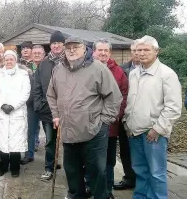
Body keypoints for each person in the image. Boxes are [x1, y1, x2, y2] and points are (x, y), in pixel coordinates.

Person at [47, 36, 122, 199]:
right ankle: (76, 196)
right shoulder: (58, 69)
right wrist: (56, 115)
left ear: (85, 49)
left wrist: (104, 121)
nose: (71, 50)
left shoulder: (98, 68)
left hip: (94, 131)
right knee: (72, 172)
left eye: (76, 47)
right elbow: (51, 95)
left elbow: (114, 97)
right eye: (68, 48)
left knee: (96, 173)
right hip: (68, 130)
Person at [123, 35, 182, 199]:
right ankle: (141, 196)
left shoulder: (167, 74)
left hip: (153, 134)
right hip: (134, 132)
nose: (141, 53)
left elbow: (174, 107)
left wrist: (158, 129)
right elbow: (131, 101)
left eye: (146, 49)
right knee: (140, 170)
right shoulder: (134, 74)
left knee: (156, 173)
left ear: (156, 52)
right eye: (138, 50)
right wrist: (126, 123)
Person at [88, 39, 128, 199]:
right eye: (100, 50)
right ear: (94, 52)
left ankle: (107, 189)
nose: (103, 53)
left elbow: (124, 96)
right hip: (88, 125)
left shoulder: (118, 72)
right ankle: (91, 186)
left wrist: (115, 115)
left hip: (109, 126)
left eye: (106, 50)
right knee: (91, 159)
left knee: (108, 160)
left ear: (110, 53)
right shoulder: (86, 68)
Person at [33, 31, 65, 180]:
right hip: (48, 110)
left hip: (68, 110)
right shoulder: (44, 63)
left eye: (59, 43)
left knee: (70, 141)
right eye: (54, 43)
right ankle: (49, 167)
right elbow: (37, 85)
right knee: (50, 140)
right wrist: (38, 104)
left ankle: (74, 169)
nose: (56, 46)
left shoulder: (69, 61)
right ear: (50, 45)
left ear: (63, 45)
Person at [0, 50, 30, 177]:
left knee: (16, 141)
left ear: (16, 61)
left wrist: (13, 106)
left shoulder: (23, 75)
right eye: (7, 59)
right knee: (3, 140)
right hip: (2, 112)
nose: (9, 62)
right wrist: (2, 105)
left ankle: (15, 167)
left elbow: (25, 93)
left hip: (17, 113)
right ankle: (3, 166)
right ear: (4, 60)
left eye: (11, 59)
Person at [113, 39, 140, 190]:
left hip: (144, 119)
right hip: (125, 116)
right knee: (125, 150)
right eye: (134, 50)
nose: (137, 53)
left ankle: (143, 181)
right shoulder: (122, 69)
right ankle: (129, 178)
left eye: (140, 50)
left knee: (141, 152)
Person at [21, 44, 45, 165]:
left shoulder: (48, 66)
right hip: (31, 103)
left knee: (50, 133)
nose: (36, 55)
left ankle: (51, 159)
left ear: (43, 54)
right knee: (30, 130)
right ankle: (29, 154)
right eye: (34, 53)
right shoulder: (26, 67)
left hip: (46, 104)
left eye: (38, 53)